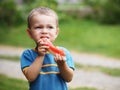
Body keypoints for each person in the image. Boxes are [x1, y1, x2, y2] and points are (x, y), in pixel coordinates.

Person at [20, 7, 75, 90]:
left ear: (56, 32)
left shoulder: (63, 52)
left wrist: (62, 65)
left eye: (50, 27)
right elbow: (30, 77)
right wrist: (40, 56)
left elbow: (69, 78)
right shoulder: (28, 54)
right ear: (30, 33)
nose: (44, 31)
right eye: (38, 27)